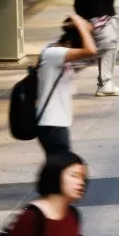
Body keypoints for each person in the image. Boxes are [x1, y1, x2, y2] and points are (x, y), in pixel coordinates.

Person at [33, 15, 98, 155]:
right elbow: (91, 50)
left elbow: (92, 53)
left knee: (58, 166)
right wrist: (81, 25)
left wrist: (82, 26)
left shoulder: (55, 52)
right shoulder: (53, 53)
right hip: (51, 122)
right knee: (61, 166)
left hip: (57, 122)